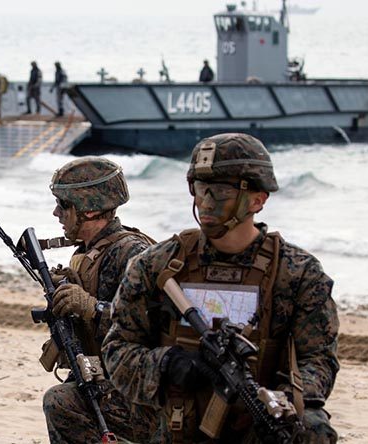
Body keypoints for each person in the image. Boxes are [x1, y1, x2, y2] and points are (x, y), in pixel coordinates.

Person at [104, 133, 339, 443]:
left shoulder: (297, 273)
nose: (207, 203)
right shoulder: (156, 265)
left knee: (313, 428)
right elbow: (117, 349)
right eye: (201, 190)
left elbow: (319, 361)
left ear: (258, 199)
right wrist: (168, 363)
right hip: (173, 421)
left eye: (222, 191)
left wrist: (277, 403)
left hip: (255, 425)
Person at [40, 157, 160, 444]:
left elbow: (154, 326)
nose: (56, 213)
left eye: (64, 205)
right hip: (109, 379)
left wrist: (93, 308)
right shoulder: (89, 252)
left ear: (90, 210)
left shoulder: (132, 254)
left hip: (143, 396)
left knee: (61, 402)